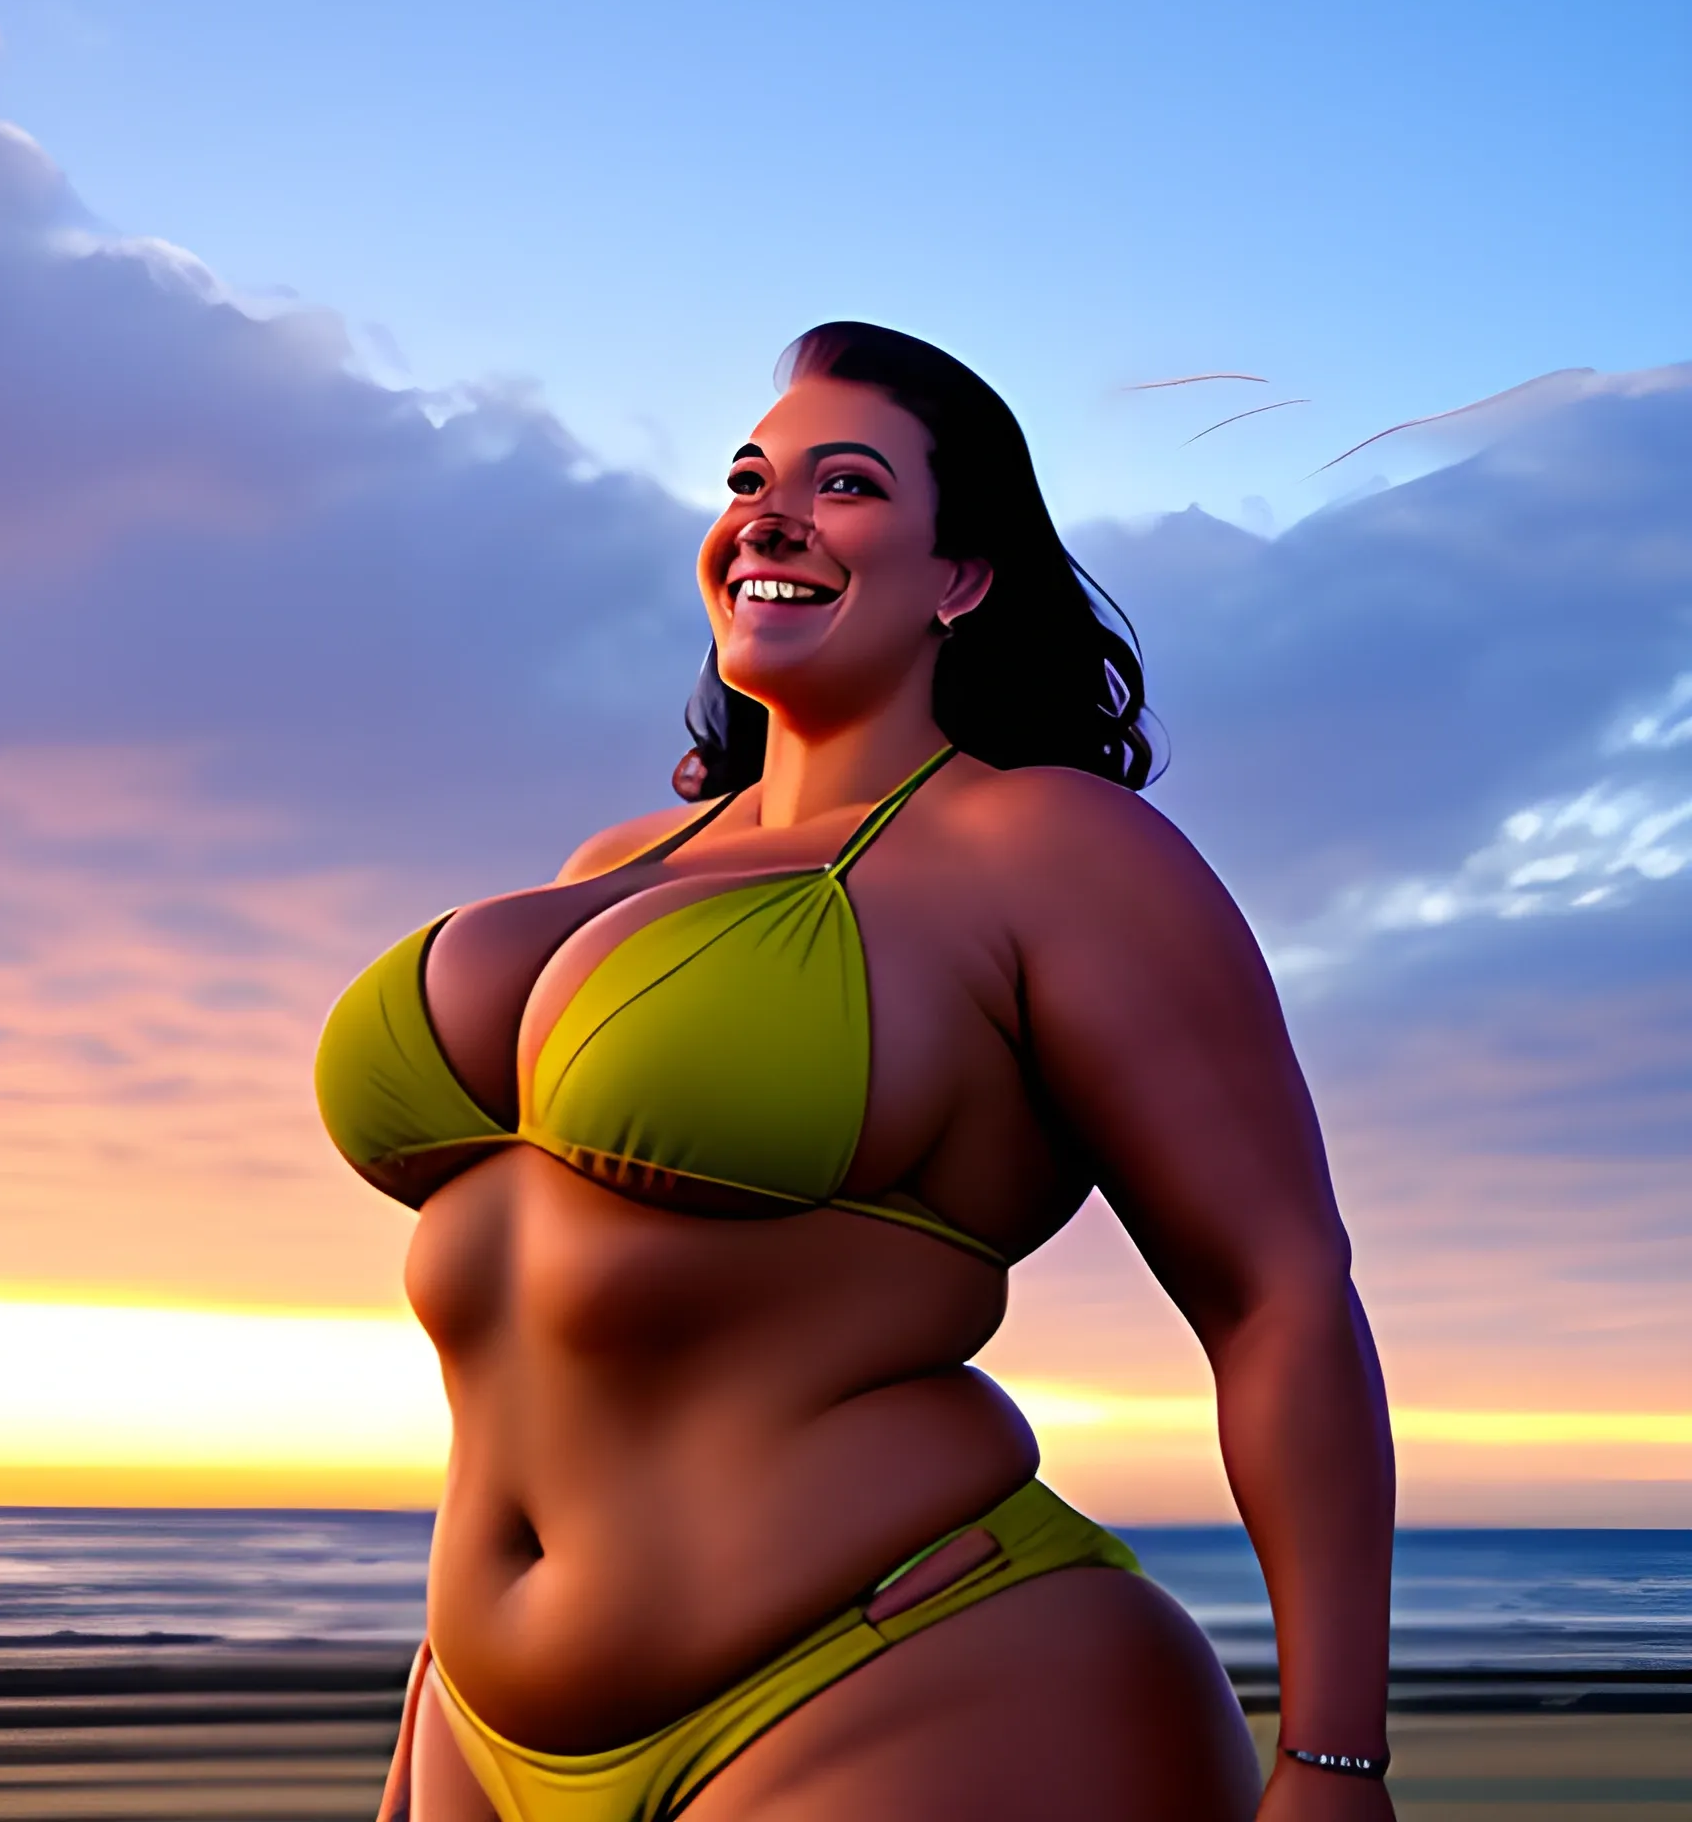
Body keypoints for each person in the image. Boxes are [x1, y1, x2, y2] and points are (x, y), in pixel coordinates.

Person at [317, 322, 1396, 1821]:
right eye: (751, 477)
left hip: (906, 1677)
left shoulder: (1049, 850)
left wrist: (1333, 1758)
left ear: (964, 575)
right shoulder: (617, 863)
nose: (770, 512)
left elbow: (1277, 1290)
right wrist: (435, 1700)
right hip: (478, 1726)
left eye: (847, 485)